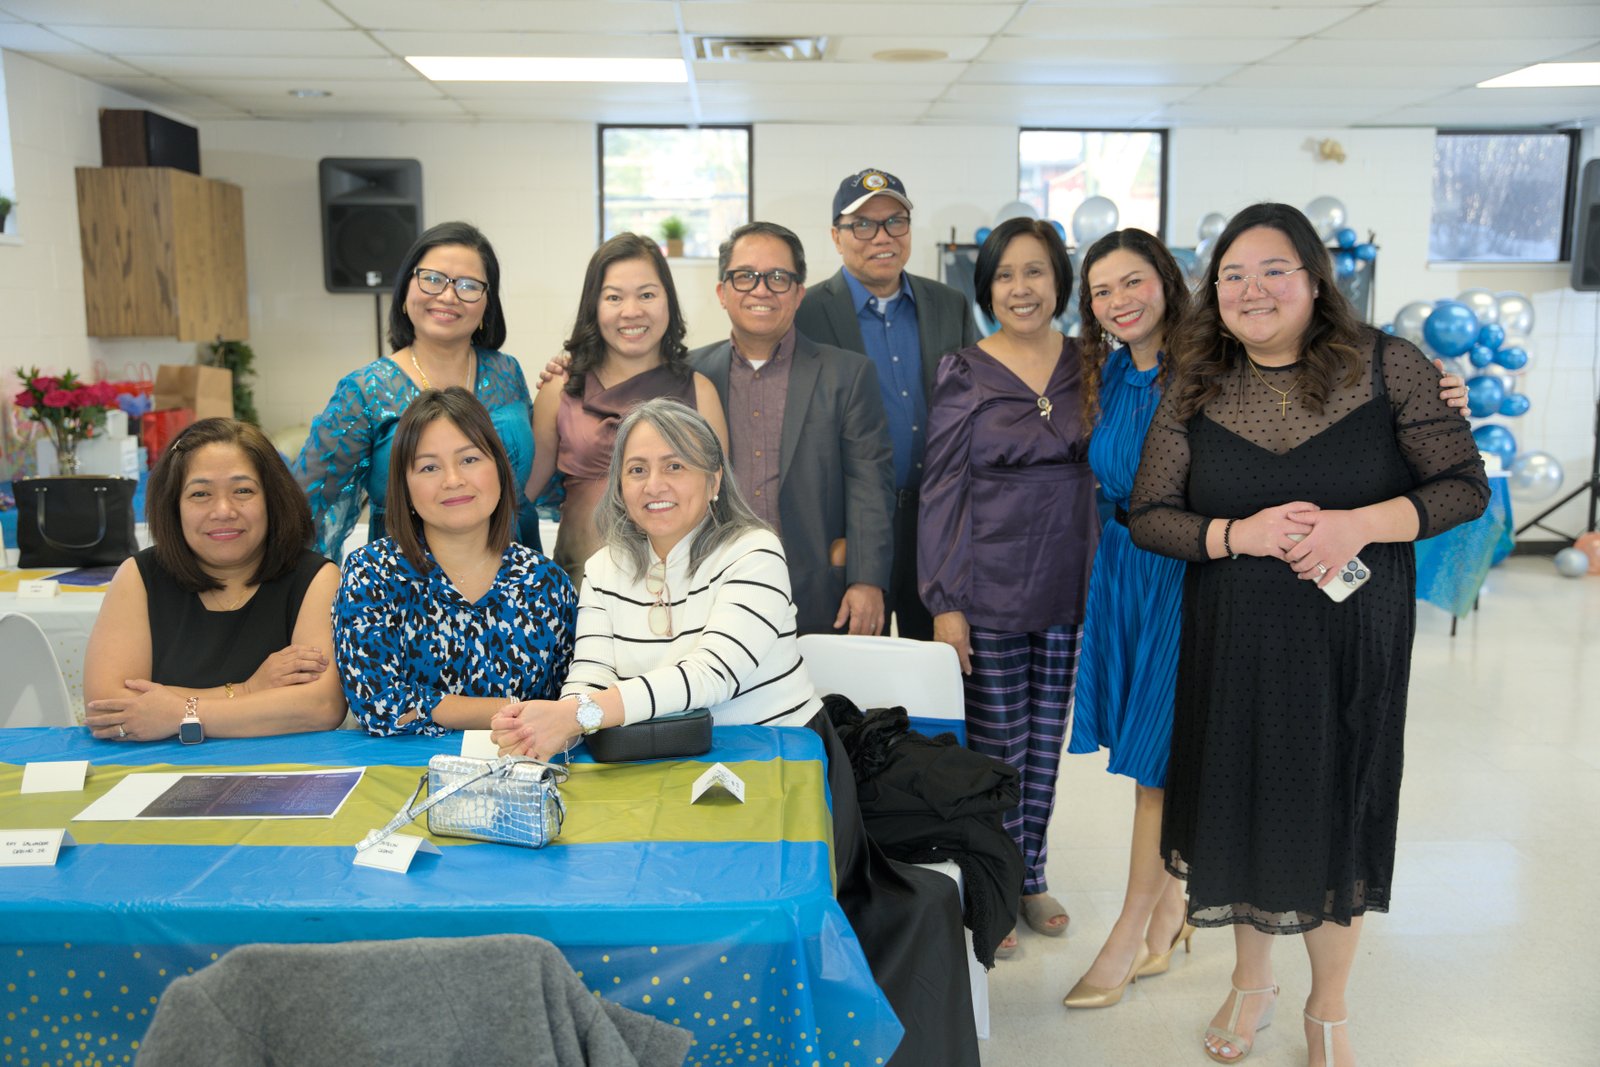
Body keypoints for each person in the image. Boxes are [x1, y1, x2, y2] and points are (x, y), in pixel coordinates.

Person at [490, 397, 979, 1067]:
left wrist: (580, 715)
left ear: (715, 478)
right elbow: (590, 672)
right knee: (626, 905)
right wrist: (552, 722)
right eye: (637, 469)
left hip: (778, 771)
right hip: (658, 770)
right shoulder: (605, 568)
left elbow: (711, 674)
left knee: (748, 920)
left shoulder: (754, 551)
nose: (655, 484)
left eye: (676, 465)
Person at [1064, 230, 1477, 1010]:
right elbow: (1141, 501)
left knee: (1177, 769)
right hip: (1153, 574)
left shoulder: (1239, 362)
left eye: (1134, 281)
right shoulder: (1116, 369)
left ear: (1173, 283)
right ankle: (1190, 938)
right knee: (1175, 768)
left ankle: (1157, 935)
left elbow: (1451, 475)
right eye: (1101, 290)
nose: (1118, 300)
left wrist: (1437, 392)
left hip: (1247, 589)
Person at [919, 217, 1101, 955]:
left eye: (1035, 271)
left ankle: (1031, 875)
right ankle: (990, 887)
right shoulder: (964, 370)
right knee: (997, 749)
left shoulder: (1093, 362)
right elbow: (941, 488)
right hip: (987, 587)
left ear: (1060, 280)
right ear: (986, 288)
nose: (1021, 288)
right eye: (1005, 275)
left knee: (1045, 745)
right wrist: (945, 602)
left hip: (1069, 582)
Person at [795, 168, 980, 639]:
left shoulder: (949, 304)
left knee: (940, 667)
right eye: (863, 224)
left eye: (895, 222)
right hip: (849, 529)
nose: (882, 236)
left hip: (937, 525)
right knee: (854, 674)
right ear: (836, 237)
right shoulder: (805, 313)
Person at [690, 221, 896, 637]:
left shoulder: (847, 374)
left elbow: (870, 485)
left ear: (799, 293)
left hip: (819, 595)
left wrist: (866, 579)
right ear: (722, 292)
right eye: (745, 276)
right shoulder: (690, 374)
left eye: (778, 278)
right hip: (709, 592)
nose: (761, 290)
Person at [333, 387, 576, 736]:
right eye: (429, 467)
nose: (453, 480)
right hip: (402, 767)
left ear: (500, 469)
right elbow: (379, 706)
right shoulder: (371, 574)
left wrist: (430, 705)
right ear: (405, 487)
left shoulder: (546, 583)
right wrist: (509, 709)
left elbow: (570, 705)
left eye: (469, 460)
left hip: (521, 765)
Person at [294, 221, 540, 562]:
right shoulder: (365, 391)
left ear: (487, 303)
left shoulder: (507, 372)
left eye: (468, 285)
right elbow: (307, 506)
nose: (448, 296)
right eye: (433, 279)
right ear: (405, 291)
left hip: (514, 569)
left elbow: (538, 473)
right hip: (407, 576)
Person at [84, 419, 344, 741]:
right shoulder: (138, 576)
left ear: (273, 499)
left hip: (279, 766)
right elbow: (108, 709)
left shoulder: (316, 579)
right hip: (158, 766)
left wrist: (178, 713)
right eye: (200, 493)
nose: (223, 510)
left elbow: (322, 707)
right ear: (173, 505)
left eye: (243, 490)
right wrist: (247, 690)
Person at [529, 232, 728, 589]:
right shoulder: (560, 388)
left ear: (669, 301)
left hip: (678, 589)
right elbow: (523, 494)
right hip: (580, 587)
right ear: (593, 305)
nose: (632, 311)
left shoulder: (700, 392)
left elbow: (719, 503)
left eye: (647, 295)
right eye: (614, 297)